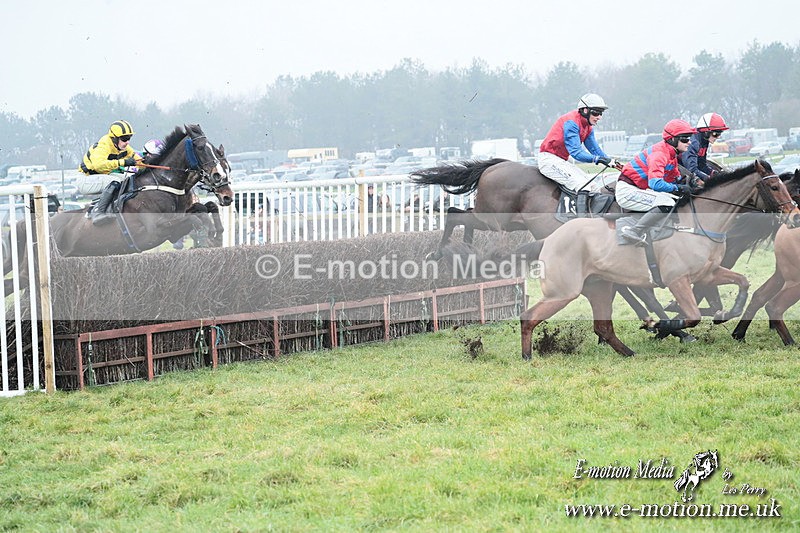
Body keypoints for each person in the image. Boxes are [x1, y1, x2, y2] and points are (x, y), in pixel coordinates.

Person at [616, 119, 698, 245]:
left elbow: (674, 178)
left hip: (639, 189)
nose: (689, 142)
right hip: (628, 191)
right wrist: (678, 188)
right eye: (685, 139)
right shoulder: (659, 154)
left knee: (677, 200)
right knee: (667, 202)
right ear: (672, 140)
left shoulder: (671, 155)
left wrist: (689, 183)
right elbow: (656, 184)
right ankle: (634, 231)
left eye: (689, 138)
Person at [538, 93, 618, 193]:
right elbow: (576, 152)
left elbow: (595, 149)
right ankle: (580, 209)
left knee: (594, 187)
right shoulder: (571, 123)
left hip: (561, 161)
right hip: (549, 160)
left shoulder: (588, 126)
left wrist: (609, 160)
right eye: (596, 113)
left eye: (601, 113)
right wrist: (598, 159)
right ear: (585, 110)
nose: (599, 117)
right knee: (583, 186)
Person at [79, 120, 142, 225]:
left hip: (101, 177)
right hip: (86, 179)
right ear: (114, 138)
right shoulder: (103, 146)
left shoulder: (123, 147)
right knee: (115, 180)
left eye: (129, 138)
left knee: (128, 179)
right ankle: (98, 213)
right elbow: (98, 166)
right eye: (124, 139)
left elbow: (138, 160)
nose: (127, 142)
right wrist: (123, 162)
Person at [681, 113, 729, 181]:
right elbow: (691, 170)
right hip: (678, 172)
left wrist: (713, 173)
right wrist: (708, 178)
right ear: (706, 132)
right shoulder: (694, 143)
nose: (718, 137)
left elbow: (701, 165)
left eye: (720, 133)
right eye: (715, 134)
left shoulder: (704, 141)